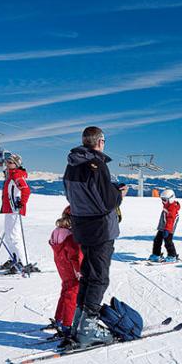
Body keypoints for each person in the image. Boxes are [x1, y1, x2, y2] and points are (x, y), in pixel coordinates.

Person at [63, 126, 128, 348]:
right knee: (99, 277)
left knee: (88, 275)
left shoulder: (72, 165)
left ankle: (78, 323)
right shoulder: (97, 165)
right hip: (100, 228)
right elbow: (105, 202)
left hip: (81, 226)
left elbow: (75, 194)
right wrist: (118, 194)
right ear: (100, 142)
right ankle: (87, 328)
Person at [49, 206, 82, 339]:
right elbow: (75, 256)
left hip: (62, 267)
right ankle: (67, 325)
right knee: (72, 294)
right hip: (70, 269)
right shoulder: (70, 237)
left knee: (65, 290)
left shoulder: (57, 231)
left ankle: (59, 319)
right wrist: (79, 271)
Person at [0, 153, 32, 274]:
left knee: (14, 236)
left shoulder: (17, 175)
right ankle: (14, 258)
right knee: (8, 235)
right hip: (9, 209)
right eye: (7, 161)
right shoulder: (10, 175)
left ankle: (22, 262)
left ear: (16, 164)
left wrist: (21, 203)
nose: (8, 164)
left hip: (15, 209)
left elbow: (26, 190)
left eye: (11, 162)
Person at [148, 189, 180, 263]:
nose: (163, 201)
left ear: (171, 199)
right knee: (157, 240)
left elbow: (171, 220)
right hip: (163, 226)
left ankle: (172, 256)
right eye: (162, 199)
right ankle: (156, 254)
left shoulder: (172, 208)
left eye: (164, 200)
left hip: (169, 227)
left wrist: (167, 229)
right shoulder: (167, 204)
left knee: (168, 241)